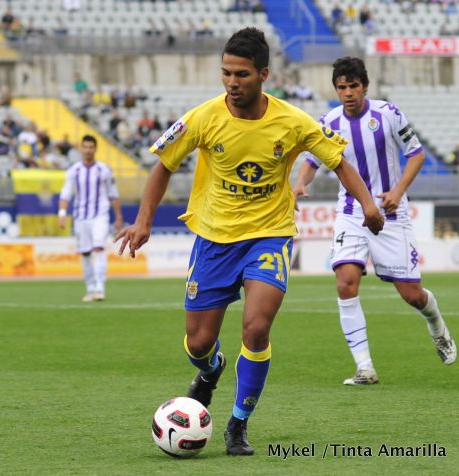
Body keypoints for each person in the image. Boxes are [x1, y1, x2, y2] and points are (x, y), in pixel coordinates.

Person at [114, 28, 384, 456]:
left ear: (263, 74)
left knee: (256, 329)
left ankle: (238, 424)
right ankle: (210, 371)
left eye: (240, 74)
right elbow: (163, 164)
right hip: (214, 240)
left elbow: (339, 162)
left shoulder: (293, 121)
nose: (231, 82)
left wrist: (368, 204)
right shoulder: (203, 117)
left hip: (269, 237)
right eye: (225, 73)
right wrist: (142, 221)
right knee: (199, 343)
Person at [293, 56, 457, 386]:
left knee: (411, 294)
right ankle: (364, 367)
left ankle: (437, 325)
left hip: (390, 213)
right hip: (351, 214)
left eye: (353, 86)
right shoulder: (329, 122)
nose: (348, 92)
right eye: (342, 87)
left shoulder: (388, 114)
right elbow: (312, 160)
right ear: (336, 90)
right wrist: (299, 184)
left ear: (364, 86)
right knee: (346, 282)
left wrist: (397, 191)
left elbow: (417, 153)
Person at [58, 135, 124, 302]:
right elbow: (65, 194)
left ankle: (100, 288)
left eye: (91, 147)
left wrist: (118, 216)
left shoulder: (104, 170)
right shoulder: (73, 171)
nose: (88, 150)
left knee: (99, 247)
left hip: (99, 215)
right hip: (80, 217)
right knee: (86, 253)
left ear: (95, 149)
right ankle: (90, 288)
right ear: (81, 148)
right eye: (85, 147)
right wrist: (62, 214)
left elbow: (113, 194)